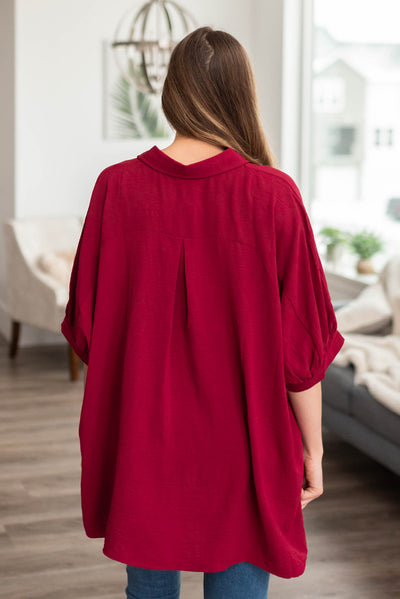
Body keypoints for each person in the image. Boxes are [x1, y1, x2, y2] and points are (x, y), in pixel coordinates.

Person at [62, 25, 345, 599]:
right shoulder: (273, 195)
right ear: (241, 94)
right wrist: (312, 450)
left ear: (172, 92)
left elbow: (87, 331)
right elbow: (301, 356)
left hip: (141, 440)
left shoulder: (116, 189)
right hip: (245, 444)